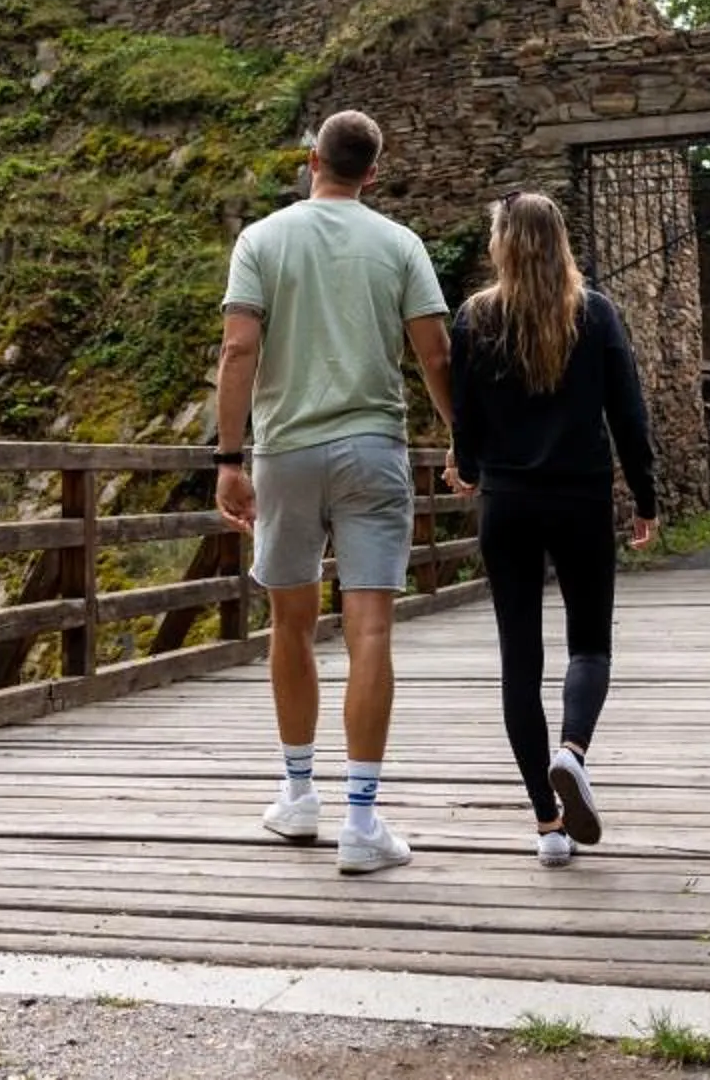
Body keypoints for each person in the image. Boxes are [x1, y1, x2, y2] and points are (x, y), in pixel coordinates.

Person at [213, 109, 452, 876]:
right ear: (372, 173)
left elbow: (238, 347)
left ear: (312, 159)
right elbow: (435, 355)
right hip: (373, 448)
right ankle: (362, 820)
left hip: (285, 452)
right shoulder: (400, 244)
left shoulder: (261, 240)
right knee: (369, 629)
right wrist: (464, 437)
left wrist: (228, 458)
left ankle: (297, 795)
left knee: (290, 624)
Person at [449, 192, 659, 866]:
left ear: (502, 246)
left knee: (520, 659)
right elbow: (628, 414)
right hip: (580, 499)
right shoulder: (595, 313)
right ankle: (573, 751)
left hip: (507, 504)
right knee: (589, 645)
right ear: (560, 241)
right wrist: (646, 498)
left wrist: (470, 467)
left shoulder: (475, 317)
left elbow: (465, 415)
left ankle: (547, 825)